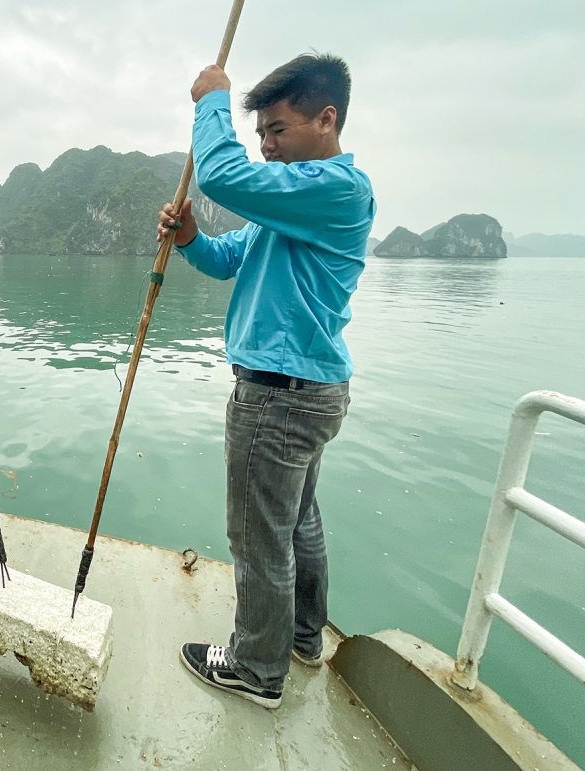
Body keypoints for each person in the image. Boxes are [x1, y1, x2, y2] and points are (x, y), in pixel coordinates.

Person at [156, 54, 375, 708]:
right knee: (297, 520)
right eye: (261, 136)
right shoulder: (295, 203)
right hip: (307, 391)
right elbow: (229, 258)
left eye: (277, 130)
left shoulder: (336, 188)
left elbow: (221, 174)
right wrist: (192, 237)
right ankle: (303, 637)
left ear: (325, 118)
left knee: (257, 538)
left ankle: (256, 666)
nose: (267, 145)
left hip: (278, 397)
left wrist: (211, 100)